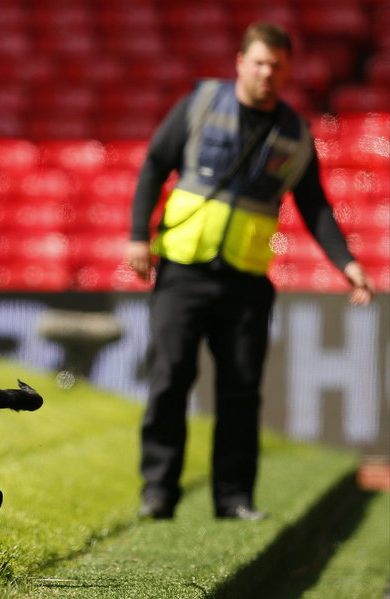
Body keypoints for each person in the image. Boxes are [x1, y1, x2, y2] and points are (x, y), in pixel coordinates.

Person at [126, 22, 375, 521]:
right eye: (259, 62)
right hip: (183, 270)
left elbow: (315, 206)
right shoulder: (199, 106)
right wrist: (137, 235)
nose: (267, 73)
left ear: (287, 71)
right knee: (169, 378)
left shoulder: (294, 133)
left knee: (241, 389)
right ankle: (159, 491)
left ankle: (234, 497)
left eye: (277, 66)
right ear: (240, 62)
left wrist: (346, 263)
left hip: (246, 280)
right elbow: (155, 163)